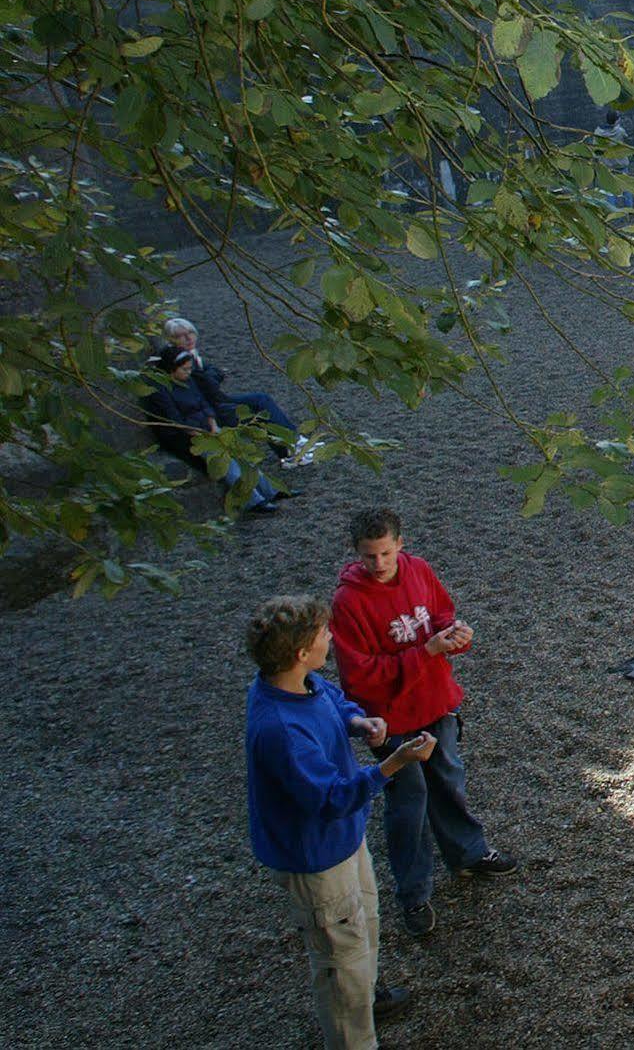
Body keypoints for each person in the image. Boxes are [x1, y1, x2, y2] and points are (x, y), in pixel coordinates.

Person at [245, 594, 434, 1047]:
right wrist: (394, 763)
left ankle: (367, 998)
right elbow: (329, 798)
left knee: (365, 921)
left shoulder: (296, 681)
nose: (330, 637)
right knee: (340, 956)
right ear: (300, 652)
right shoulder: (282, 730)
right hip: (316, 857)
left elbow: (332, 698)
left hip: (344, 840)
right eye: (322, 635)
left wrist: (359, 721)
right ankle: (353, 1034)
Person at [330, 508, 516, 937]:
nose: (377, 564)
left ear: (400, 544)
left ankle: (469, 852)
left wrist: (454, 634)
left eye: (385, 553)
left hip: (435, 702)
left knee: (449, 779)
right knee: (408, 801)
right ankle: (414, 893)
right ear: (356, 554)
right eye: (368, 556)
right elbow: (360, 678)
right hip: (391, 719)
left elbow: (441, 615)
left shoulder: (419, 570)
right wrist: (427, 652)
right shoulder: (348, 601)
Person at [139, 345, 283, 514]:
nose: (188, 372)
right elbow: (175, 421)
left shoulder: (187, 380)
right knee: (226, 462)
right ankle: (253, 501)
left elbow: (204, 404)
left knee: (241, 453)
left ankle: (269, 491)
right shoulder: (161, 390)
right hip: (185, 437)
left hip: (206, 427)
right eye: (184, 369)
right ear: (171, 369)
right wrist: (205, 434)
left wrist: (213, 426)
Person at [165, 316, 303, 462]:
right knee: (258, 412)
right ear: (171, 339)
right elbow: (209, 382)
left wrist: (211, 376)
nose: (188, 338)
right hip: (211, 409)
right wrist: (211, 377)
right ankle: (289, 450)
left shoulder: (192, 355)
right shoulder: (180, 362)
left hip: (216, 400)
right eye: (180, 336)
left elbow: (215, 373)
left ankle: (293, 441)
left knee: (261, 399)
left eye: (190, 333)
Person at [593, 109, 634, 208]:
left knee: (609, 188)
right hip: (621, 164)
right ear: (616, 120)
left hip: (606, 164)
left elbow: (595, 148)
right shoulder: (620, 131)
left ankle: (612, 208)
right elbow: (627, 141)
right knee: (626, 186)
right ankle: (629, 207)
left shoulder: (598, 132)